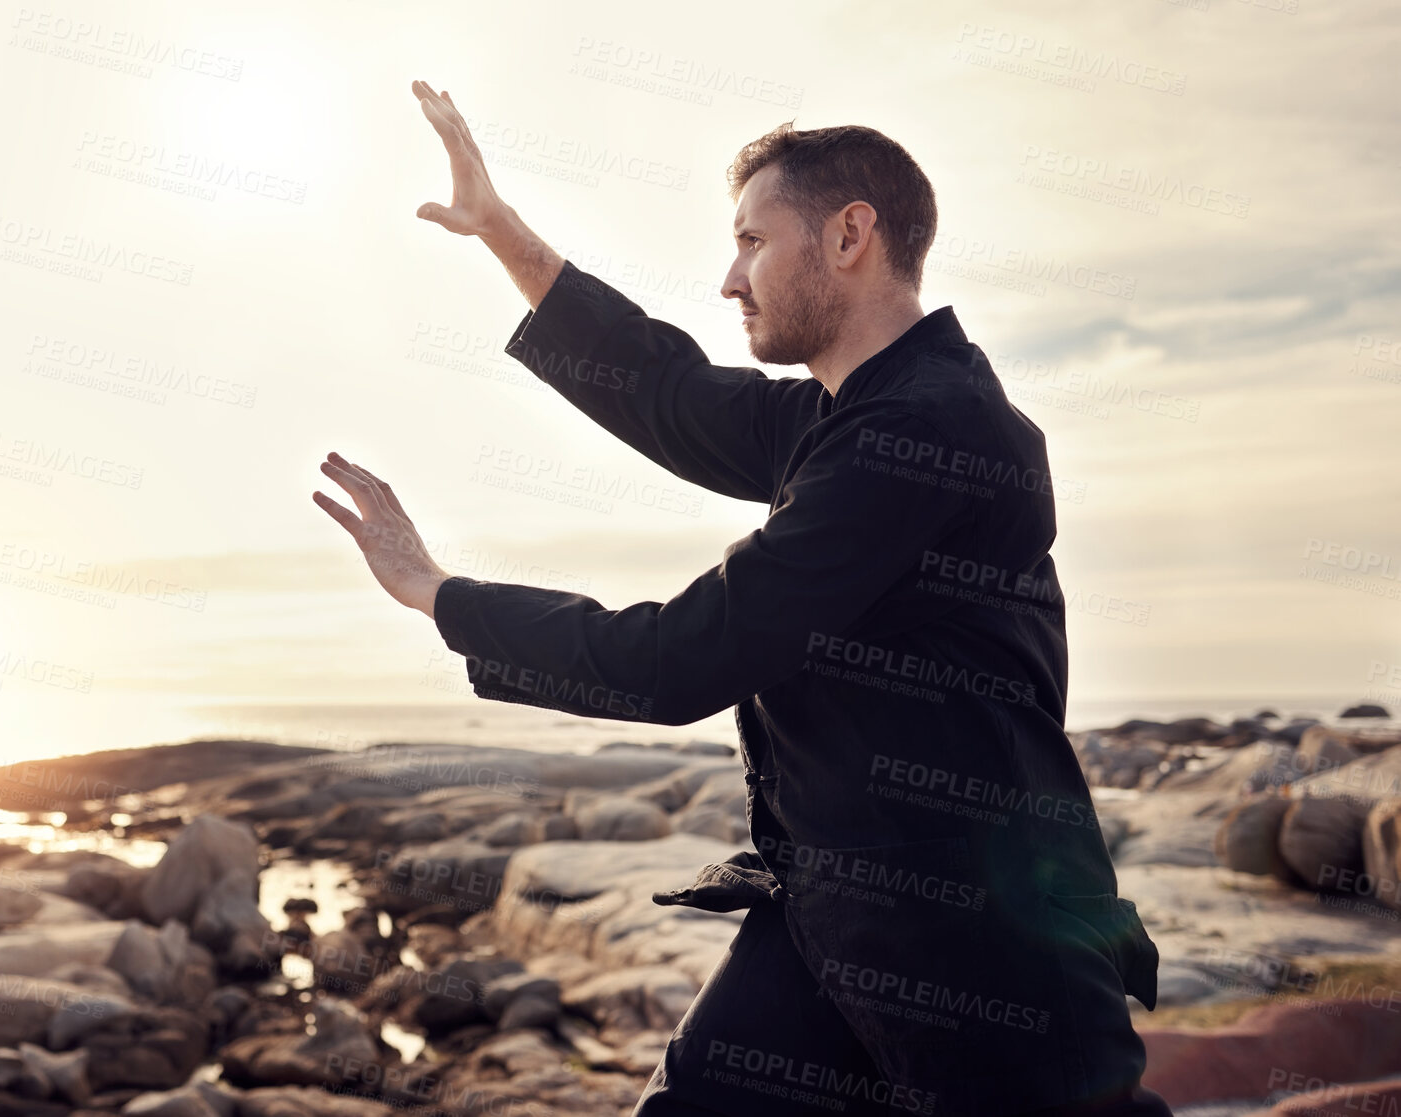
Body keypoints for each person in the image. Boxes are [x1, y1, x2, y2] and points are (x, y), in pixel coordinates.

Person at [310, 79, 1173, 1116]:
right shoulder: (849, 411)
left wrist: (440, 596)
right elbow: (665, 391)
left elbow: (684, 655)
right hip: (830, 914)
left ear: (849, 234)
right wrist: (501, 232)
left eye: (751, 242)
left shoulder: (931, 432)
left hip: (980, 941)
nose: (728, 279)